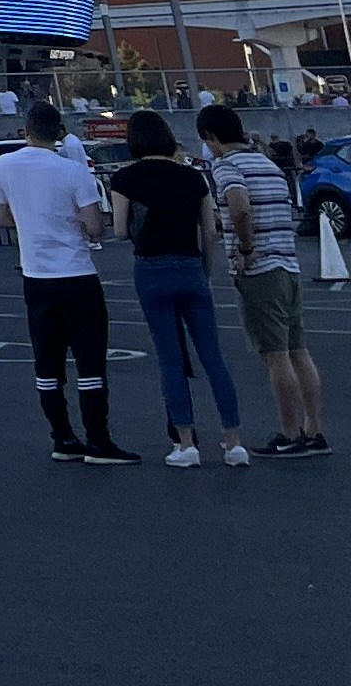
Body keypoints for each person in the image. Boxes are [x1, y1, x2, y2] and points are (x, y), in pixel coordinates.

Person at [0, 98, 130, 464]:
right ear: (60, 133)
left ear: (26, 130)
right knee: (90, 361)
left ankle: (62, 437)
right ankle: (99, 439)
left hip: (36, 274)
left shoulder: (4, 165)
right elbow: (96, 225)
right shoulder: (72, 171)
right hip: (77, 273)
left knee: (47, 362)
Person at [106, 109, 244, 466]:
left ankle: (186, 443)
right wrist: (205, 271)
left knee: (170, 358)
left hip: (151, 268)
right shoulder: (193, 177)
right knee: (213, 357)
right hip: (190, 267)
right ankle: (233, 441)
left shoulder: (125, 178)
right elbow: (210, 232)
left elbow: (120, 230)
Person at [198, 102, 328, 456]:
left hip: (260, 270)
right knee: (299, 350)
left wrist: (245, 246)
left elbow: (240, 206)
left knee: (275, 355)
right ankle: (314, 428)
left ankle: (289, 434)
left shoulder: (226, 166)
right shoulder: (267, 164)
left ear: (212, 137)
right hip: (288, 263)